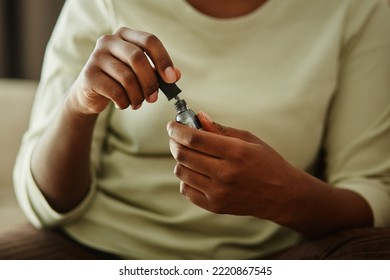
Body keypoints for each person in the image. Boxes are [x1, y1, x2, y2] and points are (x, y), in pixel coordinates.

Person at [11, 0, 390, 259]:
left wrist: (285, 198)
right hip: (96, 249)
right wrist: (79, 104)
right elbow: (43, 203)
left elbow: (373, 197)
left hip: (275, 259)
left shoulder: (358, 9)